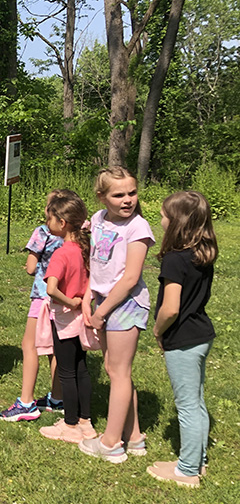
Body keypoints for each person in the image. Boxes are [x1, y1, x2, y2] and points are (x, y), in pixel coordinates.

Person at [79, 166, 155, 463]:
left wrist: (102, 313)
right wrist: (88, 297)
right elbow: (97, 264)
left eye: (132, 193)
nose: (127, 200)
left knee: (119, 371)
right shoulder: (98, 220)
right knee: (114, 368)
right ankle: (134, 436)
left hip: (125, 304)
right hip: (103, 301)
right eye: (119, 194)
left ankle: (111, 443)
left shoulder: (138, 228)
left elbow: (129, 278)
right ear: (101, 197)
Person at [147, 191, 218, 488]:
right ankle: (197, 461)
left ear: (176, 222)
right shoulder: (202, 255)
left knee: (187, 405)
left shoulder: (174, 260)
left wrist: (158, 330)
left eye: (164, 215)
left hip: (183, 338)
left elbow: (171, 307)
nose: (160, 219)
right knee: (197, 402)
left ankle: (187, 470)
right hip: (202, 333)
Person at [38, 191, 98, 443]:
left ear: (62, 223)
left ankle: (70, 424)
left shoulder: (62, 253)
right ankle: (86, 421)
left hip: (63, 318)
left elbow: (51, 289)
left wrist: (68, 301)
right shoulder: (86, 249)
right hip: (82, 317)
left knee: (66, 371)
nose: (47, 223)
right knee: (81, 368)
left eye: (50, 219)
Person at [0, 191, 64, 422]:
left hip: (42, 296)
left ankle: (26, 402)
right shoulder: (76, 235)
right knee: (55, 348)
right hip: (63, 299)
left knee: (30, 345)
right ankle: (57, 398)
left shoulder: (43, 232)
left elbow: (30, 267)